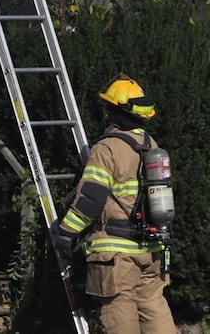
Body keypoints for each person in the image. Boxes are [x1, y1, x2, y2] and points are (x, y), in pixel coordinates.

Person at [52, 76, 174, 334]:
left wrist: (65, 232)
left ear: (115, 113)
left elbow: (91, 200)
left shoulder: (107, 148)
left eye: (108, 109)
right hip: (151, 250)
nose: (105, 114)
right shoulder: (152, 147)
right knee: (154, 307)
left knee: (119, 312)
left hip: (116, 255)